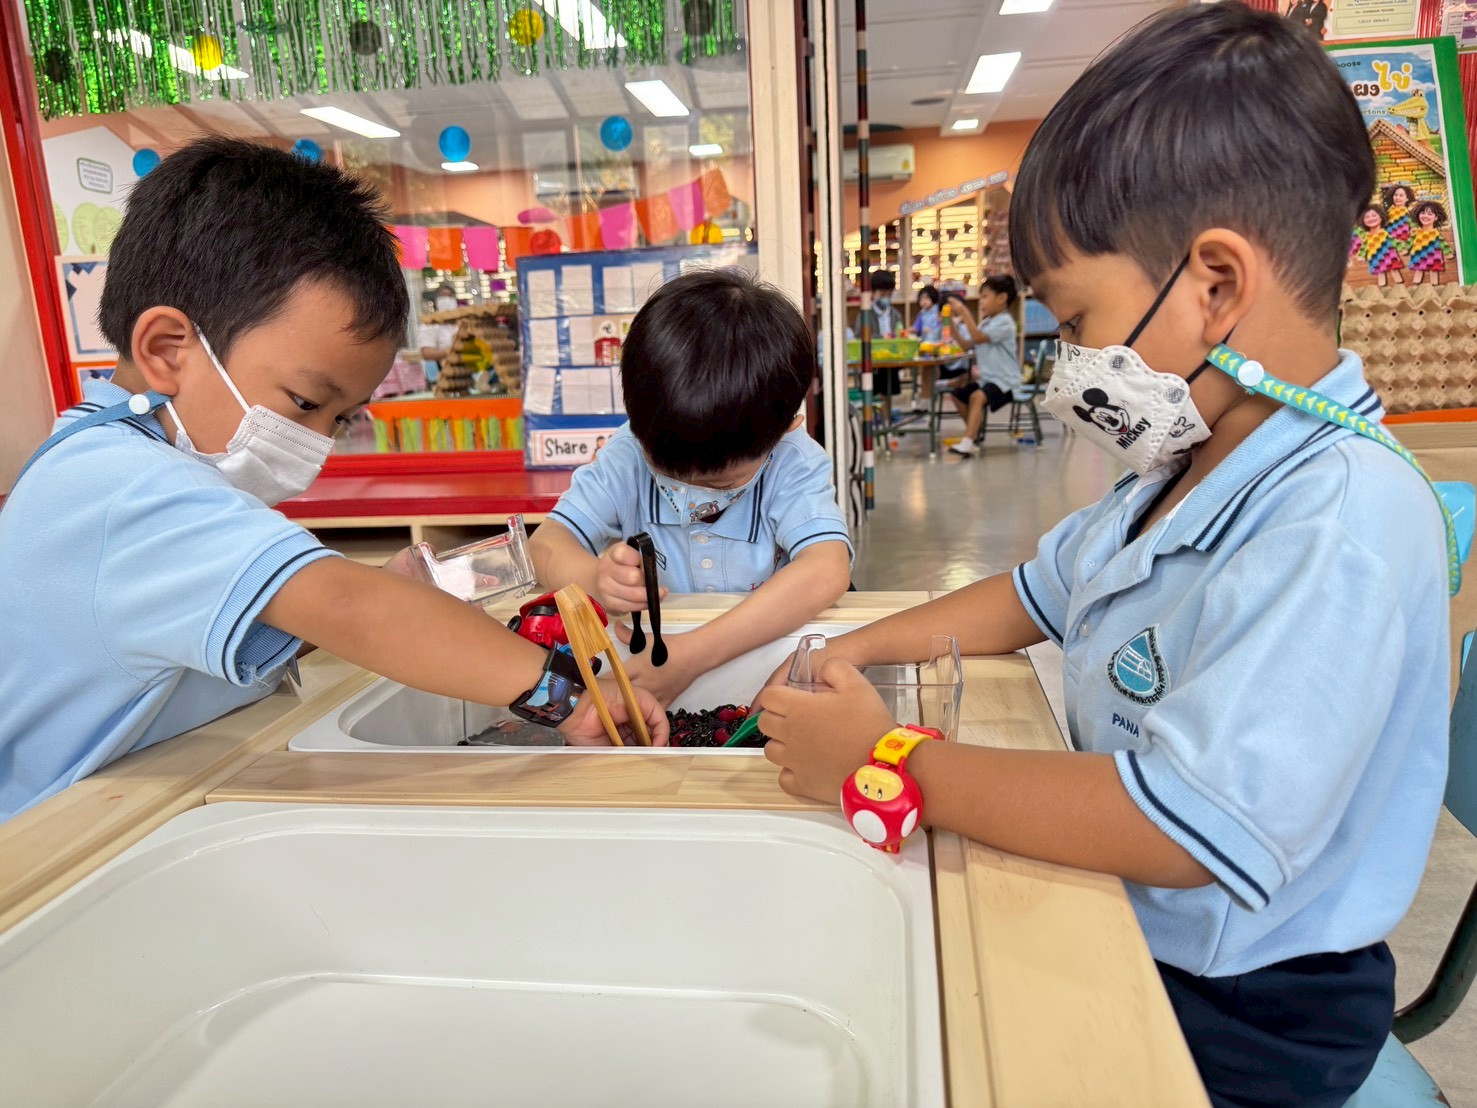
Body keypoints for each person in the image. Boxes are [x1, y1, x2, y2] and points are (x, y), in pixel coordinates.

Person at [755, 6, 1450, 1106]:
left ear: (1215, 285)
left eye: (1077, 321)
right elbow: (1030, 594)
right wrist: (853, 646)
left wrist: (886, 757)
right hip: (1145, 925)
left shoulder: (1338, 520)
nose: (1070, 361)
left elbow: (1180, 825)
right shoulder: (1187, 460)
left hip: (1247, 1013)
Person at [0, 139, 667, 822]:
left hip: (140, 801)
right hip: (55, 842)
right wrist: (568, 700)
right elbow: (348, 607)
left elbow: (255, 619)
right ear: (168, 349)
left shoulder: (115, 453)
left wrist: (392, 590)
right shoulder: (121, 488)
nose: (317, 443)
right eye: (305, 402)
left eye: (342, 418)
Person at [529, 269, 853, 705]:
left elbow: (827, 570)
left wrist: (693, 655)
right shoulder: (628, 453)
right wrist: (594, 579)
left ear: (785, 429)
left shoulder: (792, 461)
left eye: (720, 482)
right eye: (665, 471)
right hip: (658, 662)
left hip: (761, 662)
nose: (688, 492)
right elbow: (546, 543)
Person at [941, 276, 1020, 457]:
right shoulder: (986, 322)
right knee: (958, 395)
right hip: (989, 380)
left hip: (1006, 382)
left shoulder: (1004, 322)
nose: (981, 302)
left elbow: (977, 337)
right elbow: (967, 345)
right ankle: (973, 435)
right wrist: (950, 325)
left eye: (985, 297)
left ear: (1002, 298)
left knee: (977, 397)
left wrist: (964, 311)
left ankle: (967, 441)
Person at [417, 283, 460, 384]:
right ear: (436, 301)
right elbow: (427, 353)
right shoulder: (429, 326)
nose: (447, 299)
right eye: (443, 296)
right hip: (443, 373)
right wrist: (450, 351)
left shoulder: (461, 324)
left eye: (450, 296)